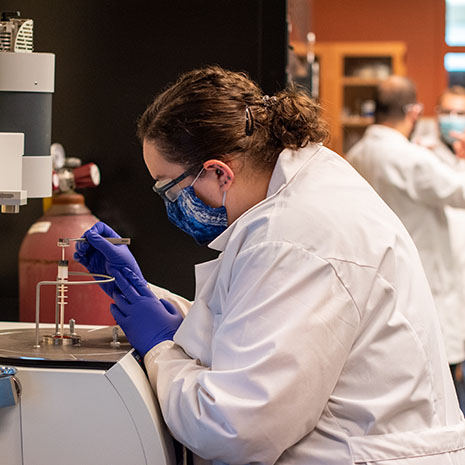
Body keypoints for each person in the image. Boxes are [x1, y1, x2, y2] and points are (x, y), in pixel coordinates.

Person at [75, 67, 465, 465]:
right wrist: (164, 307)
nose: (170, 205)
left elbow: (233, 429)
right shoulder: (295, 188)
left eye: (168, 188)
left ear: (218, 172)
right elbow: (261, 322)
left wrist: (161, 349)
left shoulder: (294, 237)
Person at [346, 76, 465, 404]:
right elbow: (460, 192)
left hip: (382, 279)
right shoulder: (411, 158)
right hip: (426, 281)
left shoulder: (357, 153)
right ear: (415, 111)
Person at [412, 85, 465, 410]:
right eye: (446, 112)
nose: (452, 119)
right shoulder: (422, 155)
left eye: (460, 113)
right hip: (439, 274)